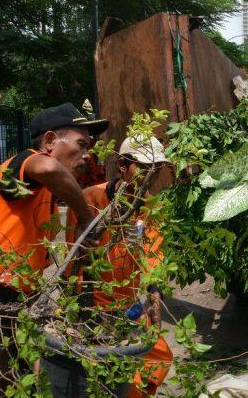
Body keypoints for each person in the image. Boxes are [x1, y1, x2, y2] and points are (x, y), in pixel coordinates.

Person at [0, 102, 108, 393]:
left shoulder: (40, 196)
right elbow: (47, 167)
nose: (88, 155)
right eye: (82, 144)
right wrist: (86, 217)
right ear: (49, 141)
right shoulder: (24, 163)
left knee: (14, 382)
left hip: (11, 303)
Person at [66, 135, 173, 397]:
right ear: (123, 166)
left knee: (158, 356)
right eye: (144, 167)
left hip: (127, 305)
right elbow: (73, 256)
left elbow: (152, 256)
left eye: (155, 168)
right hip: (91, 303)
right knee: (99, 369)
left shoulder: (151, 207)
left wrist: (154, 296)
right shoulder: (90, 199)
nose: (151, 175)